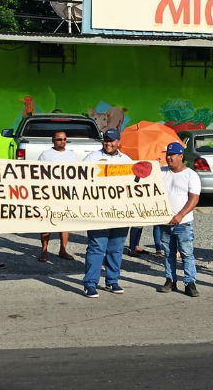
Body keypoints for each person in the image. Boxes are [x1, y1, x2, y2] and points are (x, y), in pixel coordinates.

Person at [81, 128, 131, 298]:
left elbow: (137, 183)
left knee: (116, 248)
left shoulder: (126, 160)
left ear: (118, 142)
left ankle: (112, 281)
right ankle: (90, 283)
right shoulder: (92, 158)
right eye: (105, 140)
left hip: (120, 212)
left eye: (111, 141)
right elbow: (78, 179)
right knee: (96, 247)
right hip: (99, 211)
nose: (108, 143)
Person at [156, 142, 201, 297]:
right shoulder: (161, 172)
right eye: (167, 154)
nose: (169, 158)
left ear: (181, 156)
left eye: (172, 155)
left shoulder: (191, 175)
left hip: (184, 222)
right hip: (165, 221)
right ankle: (170, 280)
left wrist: (180, 215)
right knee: (168, 252)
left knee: (187, 253)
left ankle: (190, 282)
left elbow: (194, 199)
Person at [37, 131, 77, 262]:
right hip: (49, 194)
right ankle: (44, 250)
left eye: (65, 139)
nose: (62, 142)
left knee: (65, 222)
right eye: (59, 139)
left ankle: (63, 249)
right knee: (47, 222)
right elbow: (38, 172)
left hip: (66, 194)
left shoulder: (72, 155)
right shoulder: (46, 155)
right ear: (53, 140)